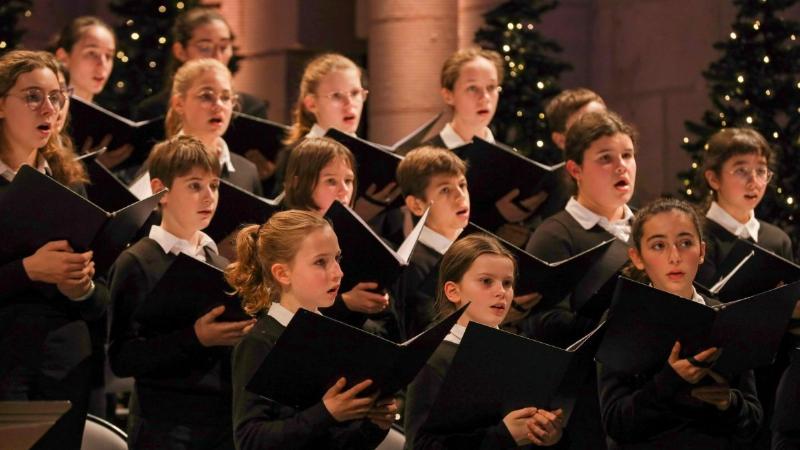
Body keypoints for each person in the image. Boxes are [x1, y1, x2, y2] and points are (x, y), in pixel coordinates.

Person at [108, 135, 255, 449]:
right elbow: (122, 358)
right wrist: (195, 338)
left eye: (214, 185)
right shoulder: (137, 261)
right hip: (165, 427)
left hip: (220, 423)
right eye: (194, 186)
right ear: (160, 190)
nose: (209, 197)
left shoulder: (218, 261)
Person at [0, 50, 106, 450]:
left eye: (56, 96)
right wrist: (27, 269)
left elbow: (103, 298)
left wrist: (84, 289)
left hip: (65, 366)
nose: (49, 107)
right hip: (6, 362)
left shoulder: (71, 187)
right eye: (32, 96)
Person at [599, 197, 762, 449]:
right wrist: (670, 381)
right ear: (637, 257)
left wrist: (728, 402)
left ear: (702, 252)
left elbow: (753, 422)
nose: (674, 257)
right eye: (658, 246)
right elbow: (617, 423)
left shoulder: (725, 316)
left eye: (685, 243)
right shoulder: (623, 317)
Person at [227, 210, 396, 449]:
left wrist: (374, 424)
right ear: (282, 273)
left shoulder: (334, 334)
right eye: (320, 262)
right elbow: (250, 439)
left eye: (337, 258)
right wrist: (326, 413)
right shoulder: (260, 343)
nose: (338, 273)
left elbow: (337, 441)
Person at [404, 233, 563, 449]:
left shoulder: (519, 352)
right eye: (486, 281)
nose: (501, 292)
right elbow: (420, 445)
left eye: (507, 283)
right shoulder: (433, 358)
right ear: (453, 291)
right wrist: (503, 436)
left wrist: (545, 435)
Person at [697, 127, 797, 448]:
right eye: (741, 170)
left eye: (761, 170)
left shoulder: (775, 238)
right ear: (713, 179)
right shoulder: (699, 234)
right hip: (725, 372)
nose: (754, 181)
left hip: (774, 367)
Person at [283, 137, 395, 334]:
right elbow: (277, 308)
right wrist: (345, 303)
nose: (344, 190)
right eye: (331, 181)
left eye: (349, 180)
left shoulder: (363, 239)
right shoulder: (281, 239)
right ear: (299, 183)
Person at [392, 146, 471, 340]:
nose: (460, 195)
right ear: (417, 205)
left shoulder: (474, 246)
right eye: (445, 189)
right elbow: (423, 332)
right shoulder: (412, 264)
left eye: (462, 184)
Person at [134, 6, 267, 121]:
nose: (217, 56)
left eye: (224, 46)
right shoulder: (154, 111)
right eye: (205, 48)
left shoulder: (251, 109)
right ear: (180, 51)